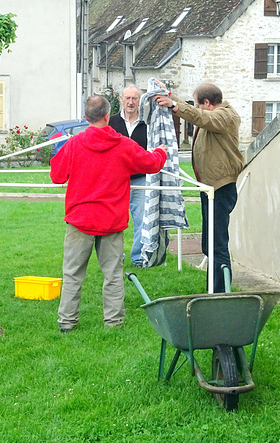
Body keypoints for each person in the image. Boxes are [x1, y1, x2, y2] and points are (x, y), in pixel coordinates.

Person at [50, 95, 167, 333]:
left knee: (72, 275)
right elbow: (152, 163)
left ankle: (67, 323)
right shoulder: (124, 145)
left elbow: (56, 176)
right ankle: (113, 322)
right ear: (108, 116)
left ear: (85, 118)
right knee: (113, 275)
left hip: (79, 220)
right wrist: (161, 152)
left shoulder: (74, 144)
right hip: (111, 221)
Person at [155, 83, 244, 293]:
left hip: (221, 189)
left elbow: (202, 118)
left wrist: (175, 105)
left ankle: (221, 293)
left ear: (207, 103)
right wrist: (168, 95)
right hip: (209, 189)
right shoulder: (212, 114)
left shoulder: (226, 116)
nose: (196, 108)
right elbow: (198, 115)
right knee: (208, 243)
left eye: (197, 104)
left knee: (217, 244)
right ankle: (213, 288)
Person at [108, 85, 148, 267]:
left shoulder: (147, 123)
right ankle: (117, 258)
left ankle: (138, 258)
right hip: (116, 181)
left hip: (140, 179)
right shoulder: (111, 123)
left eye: (135, 98)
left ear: (140, 101)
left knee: (141, 219)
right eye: (127, 98)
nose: (131, 102)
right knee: (115, 221)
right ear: (121, 100)